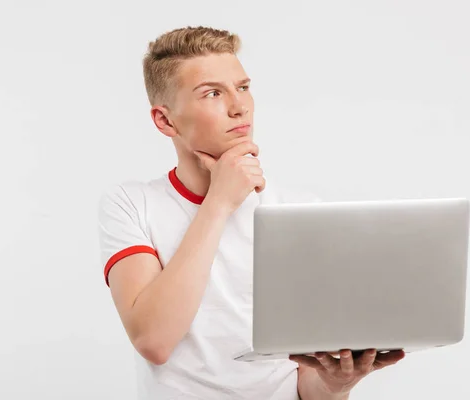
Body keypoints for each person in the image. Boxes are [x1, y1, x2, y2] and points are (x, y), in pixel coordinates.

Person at [97, 25, 405, 400]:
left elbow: (306, 386)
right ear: (165, 120)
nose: (239, 106)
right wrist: (220, 202)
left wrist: (337, 383)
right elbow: (154, 340)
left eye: (243, 87)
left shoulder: (301, 212)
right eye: (213, 93)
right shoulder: (131, 204)